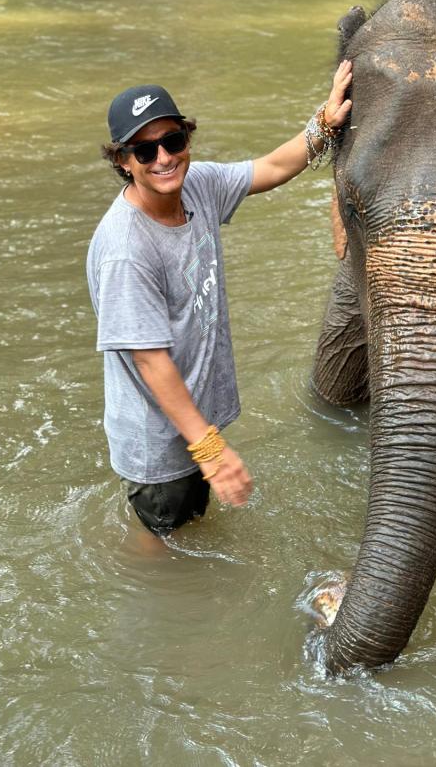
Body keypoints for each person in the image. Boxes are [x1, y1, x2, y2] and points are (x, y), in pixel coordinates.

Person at [86, 63, 352, 536]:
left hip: (191, 425)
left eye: (173, 141)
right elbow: (149, 360)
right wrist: (210, 449)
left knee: (188, 532)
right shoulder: (126, 251)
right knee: (163, 547)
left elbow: (270, 167)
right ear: (123, 161)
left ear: (188, 139)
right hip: (160, 441)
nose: (164, 158)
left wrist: (325, 123)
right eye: (144, 150)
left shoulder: (199, 186)